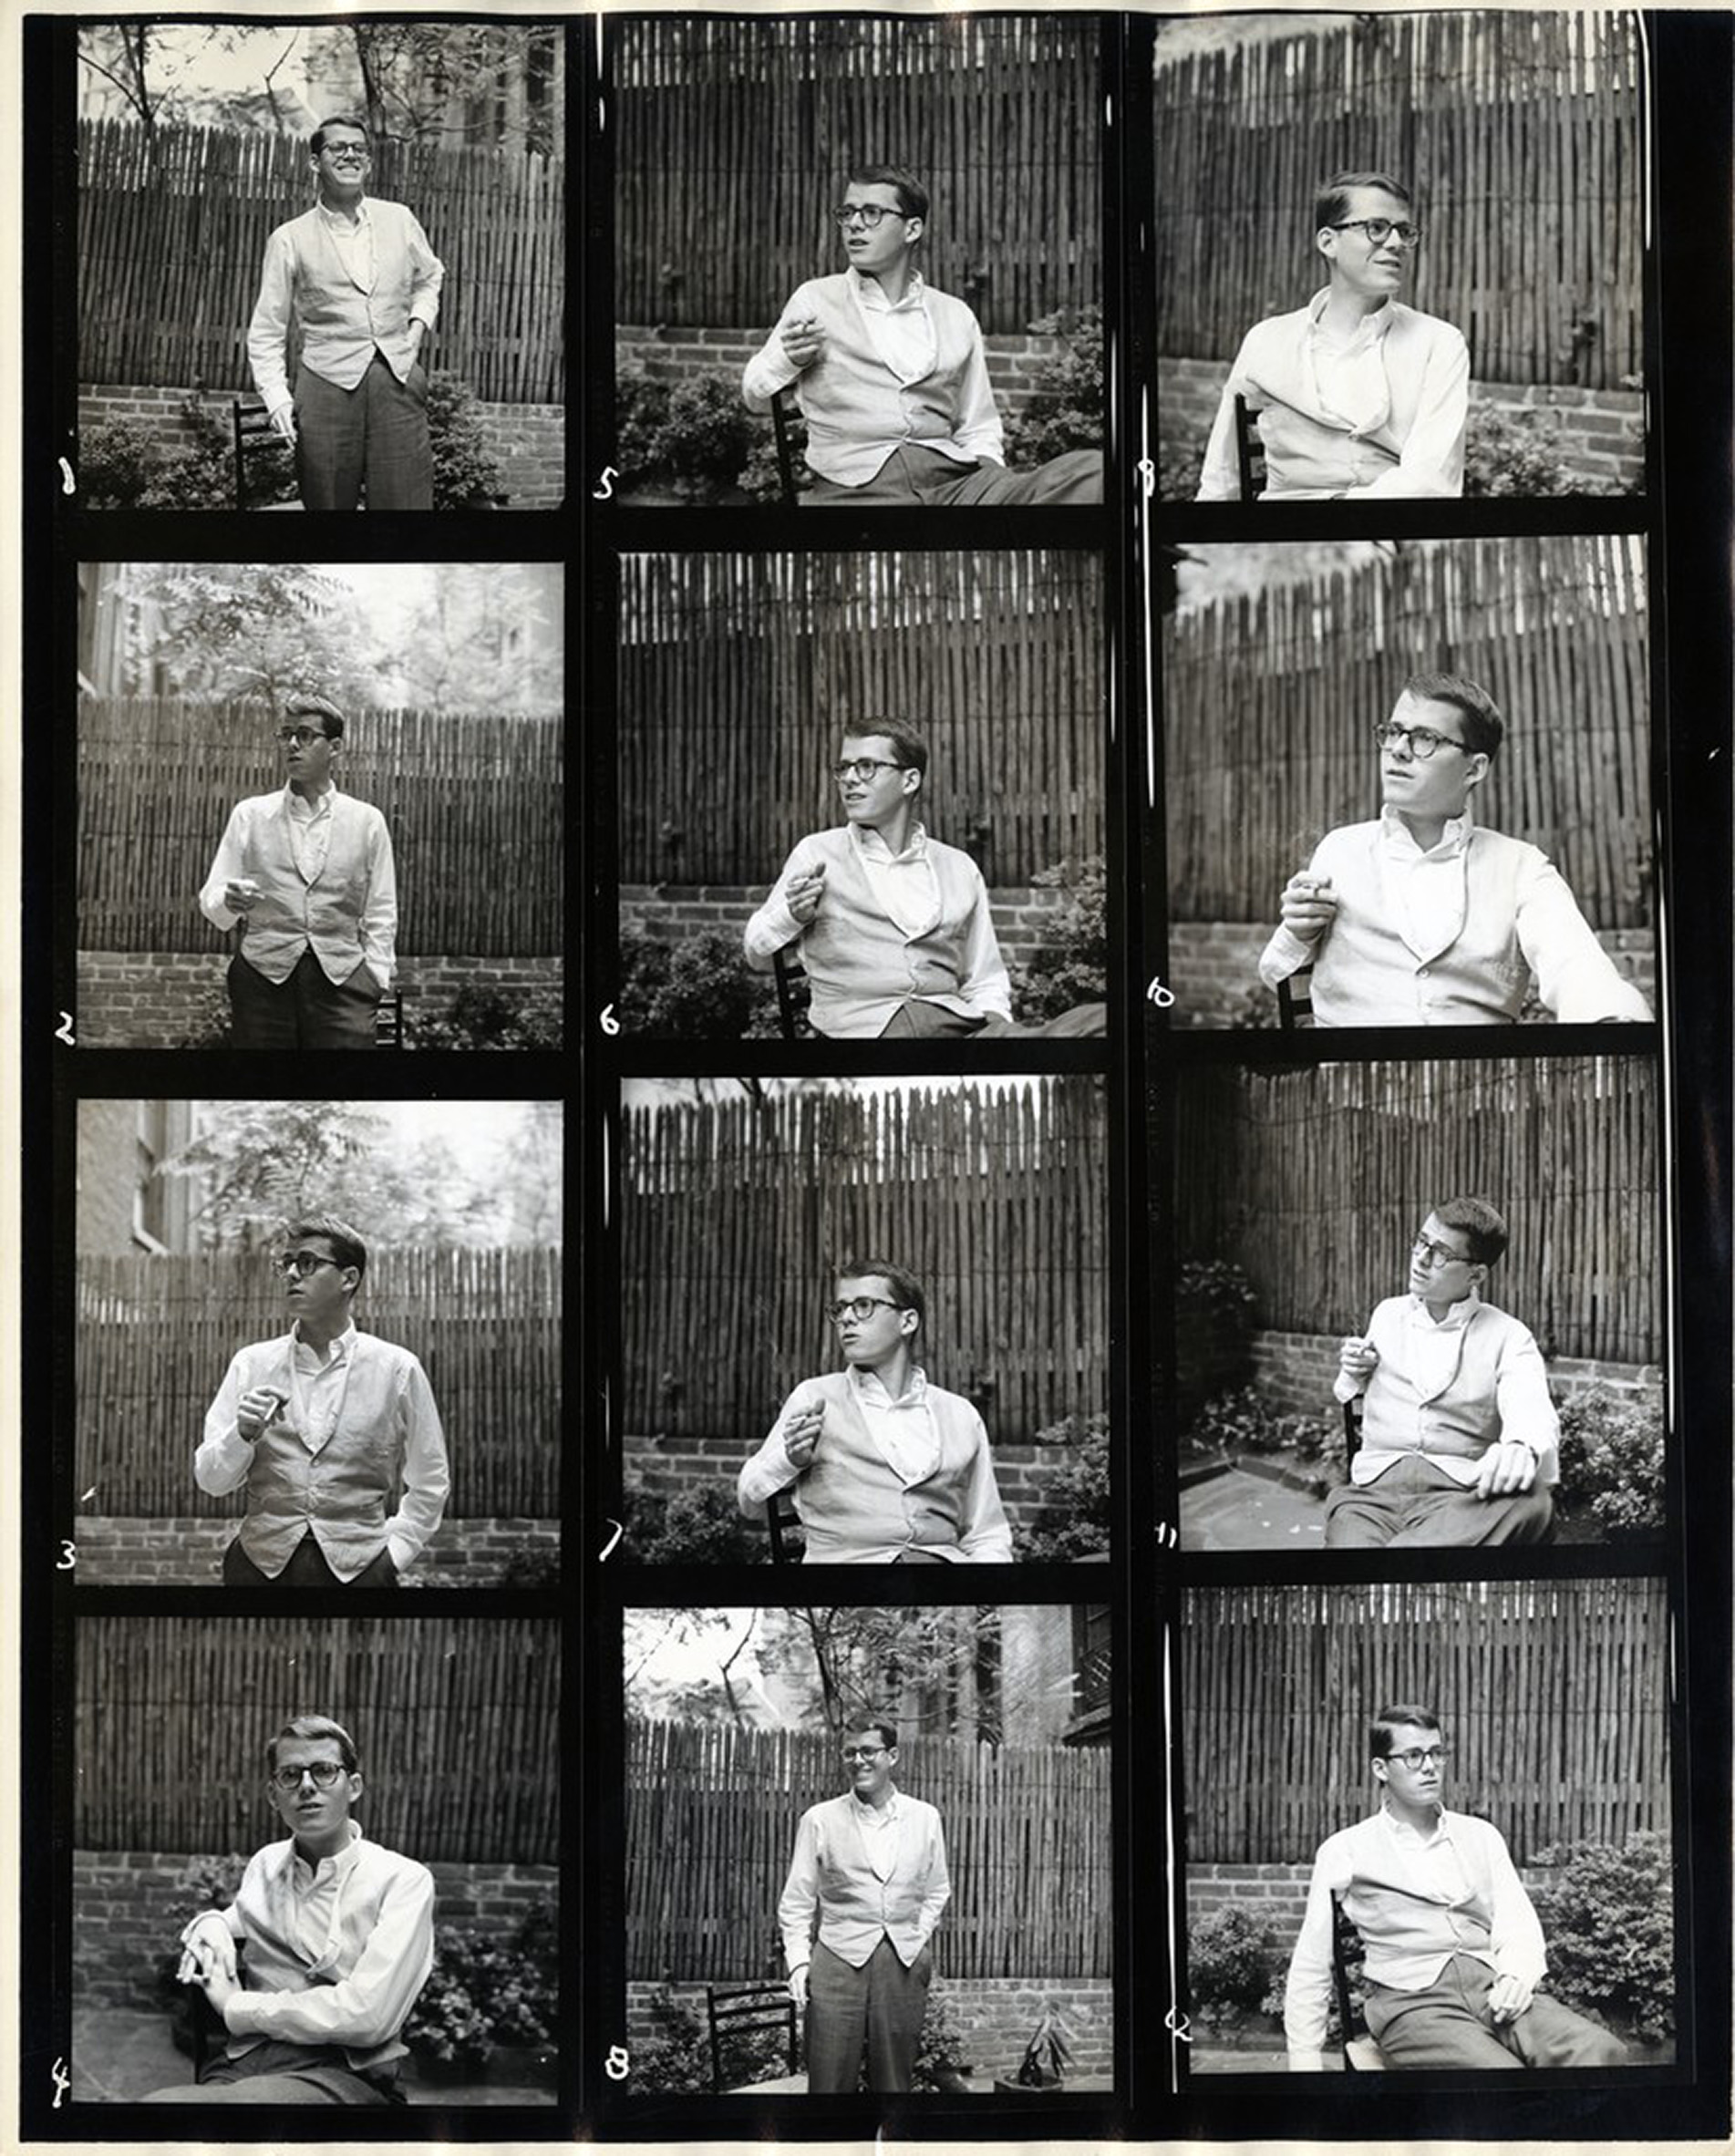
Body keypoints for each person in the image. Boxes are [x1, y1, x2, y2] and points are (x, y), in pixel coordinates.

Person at [1257, 673, 1653, 1026]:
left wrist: (1616, 1023)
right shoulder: (1341, 850)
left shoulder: (1519, 866)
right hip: (1346, 1095)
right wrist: (1298, 931)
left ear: (1474, 768)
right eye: (1393, 731)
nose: (1398, 749)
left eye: (1425, 738)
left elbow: (1576, 966)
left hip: (1472, 1097)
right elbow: (1279, 977)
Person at [1284, 1703, 1630, 2071]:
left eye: (1436, 1753)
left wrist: (1516, 1975)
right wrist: (1305, 2065)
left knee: (1599, 2051)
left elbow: (1516, 1921)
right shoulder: (1345, 1849)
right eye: (1414, 1756)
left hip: (1490, 1990)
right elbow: (1312, 1961)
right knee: (1500, 2083)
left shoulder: (1480, 1835)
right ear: (1381, 1769)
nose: (1430, 1766)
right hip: (1413, 2007)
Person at [742, 165, 1101, 508]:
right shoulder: (816, 300)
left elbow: (978, 422)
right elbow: (754, 395)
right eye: (847, 212)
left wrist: (991, 479)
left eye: (871, 213)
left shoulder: (955, 314)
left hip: (955, 485)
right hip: (859, 494)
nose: (854, 224)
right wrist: (787, 360)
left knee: (1095, 472)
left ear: (912, 229)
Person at [142, 1715, 436, 2104]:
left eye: (324, 1771)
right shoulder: (267, 1864)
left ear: (354, 1787)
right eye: (291, 1775)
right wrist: (211, 1922)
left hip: (342, 2072)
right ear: (273, 1795)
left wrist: (239, 2006)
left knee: (166, 2110)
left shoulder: (402, 1879)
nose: (307, 1786)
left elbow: (368, 2017)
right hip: (248, 2064)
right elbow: (239, 1918)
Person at [197, 1214, 449, 1586]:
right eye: (287, 1264)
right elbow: (210, 1481)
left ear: (348, 1279)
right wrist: (242, 1434)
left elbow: (430, 1479)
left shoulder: (397, 1368)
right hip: (256, 1570)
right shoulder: (252, 1363)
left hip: (362, 1571)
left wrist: (394, 1554)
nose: (292, 1275)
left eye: (308, 1263)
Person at [1195, 171, 1468, 500]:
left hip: (1386, 531)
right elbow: (1221, 478)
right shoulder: (1266, 341)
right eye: (1377, 228)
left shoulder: (1438, 342)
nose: (1396, 244)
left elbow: (1431, 481)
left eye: (1404, 232)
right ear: (1328, 242)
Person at [744, 724, 1013, 1039]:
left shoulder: (958, 866)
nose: (849, 778)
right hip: (864, 1043)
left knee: (1084, 1025)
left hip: (954, 1033)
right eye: (843, 767)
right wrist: (792, 916)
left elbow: (985, 975)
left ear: (909, 780)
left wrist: (997, 1031)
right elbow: (756, 954)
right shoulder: (817, 854)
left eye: (867, 766)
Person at [738, 1261, 1012, 1563]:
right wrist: (788, 1461)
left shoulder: (960, 1415)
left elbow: (988, 1534)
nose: (847, 1319)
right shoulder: (814, 1398)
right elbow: (749, 1503)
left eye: (863, 1305)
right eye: (840, 1309)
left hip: (941, 1593)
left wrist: (985, 1598)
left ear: (907, 1322)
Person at [1326, 1199, 1558, 1549]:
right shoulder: (1387, 1315)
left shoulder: (1508, 1335)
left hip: (1459, 1499)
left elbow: (1530, 1406)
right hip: (1373, 1495)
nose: (1420, 1258)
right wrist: (1355, 1370)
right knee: (1352, 1540)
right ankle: (1415, 1558)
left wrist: (1522, 1446)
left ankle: (1404, 1558)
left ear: (1476, 1274)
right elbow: (1349, 1390)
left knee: (1534, 1504)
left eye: (1441, 1254)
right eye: (1421, 1242)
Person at [246, 115, 445, 511]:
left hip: (397, 382)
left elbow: (431, 276)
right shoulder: (289, 238)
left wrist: (416, 329)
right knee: (328, 512)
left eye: (359, 148)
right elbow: (267, 329)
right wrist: (278, 400)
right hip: (325, 389)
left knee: (407, 509)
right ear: (315, 162)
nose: (350, 155)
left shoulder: (400, 219)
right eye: (338, 148)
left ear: (369, 163)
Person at [199, 695, 398, 1050]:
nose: (292, 744)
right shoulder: (251, 814)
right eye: (286, 734)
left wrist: (375, 975)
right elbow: (212, 901)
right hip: (262, 981)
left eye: (305, 735)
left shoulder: (367, 821)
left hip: (344, 983)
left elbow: (381, 907)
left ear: (334, 747)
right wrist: (228, 900)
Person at [778, 1717, 952, 2092]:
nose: (858, 1760)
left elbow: (938, 1889)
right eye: (850, 1752)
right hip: (838, 1960)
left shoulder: (925, 1818)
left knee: (894, 2083)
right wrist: (798, 1961)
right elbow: (796, 1900)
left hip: (903, 1963)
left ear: (892, 1756)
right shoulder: (819, 1820)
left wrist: (916, 1935)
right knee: (828, 2082)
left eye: (868, 1751)